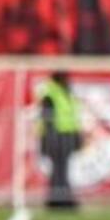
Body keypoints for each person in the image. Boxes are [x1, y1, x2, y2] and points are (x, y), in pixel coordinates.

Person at [38, 71, 83, 210]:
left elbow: (73, 117)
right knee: (58, 169)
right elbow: (47, 119)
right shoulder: (51, 96)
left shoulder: (66, 94)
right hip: (56, 136)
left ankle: (61, 197)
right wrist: (49, 139)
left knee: (62, 169)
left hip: (67, 135)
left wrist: (77, 136)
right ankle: (58, 199)